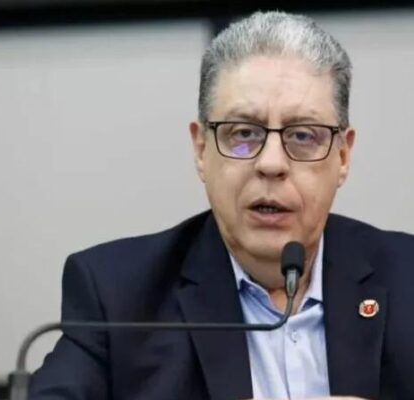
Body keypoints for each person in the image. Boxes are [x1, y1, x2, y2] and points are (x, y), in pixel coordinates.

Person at [29, 10, 414, 400]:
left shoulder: (407, 278)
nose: (271, 163)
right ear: (202, 150)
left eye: (303, 136)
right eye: (244, 134)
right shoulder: (118, 297)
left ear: (343, 156)